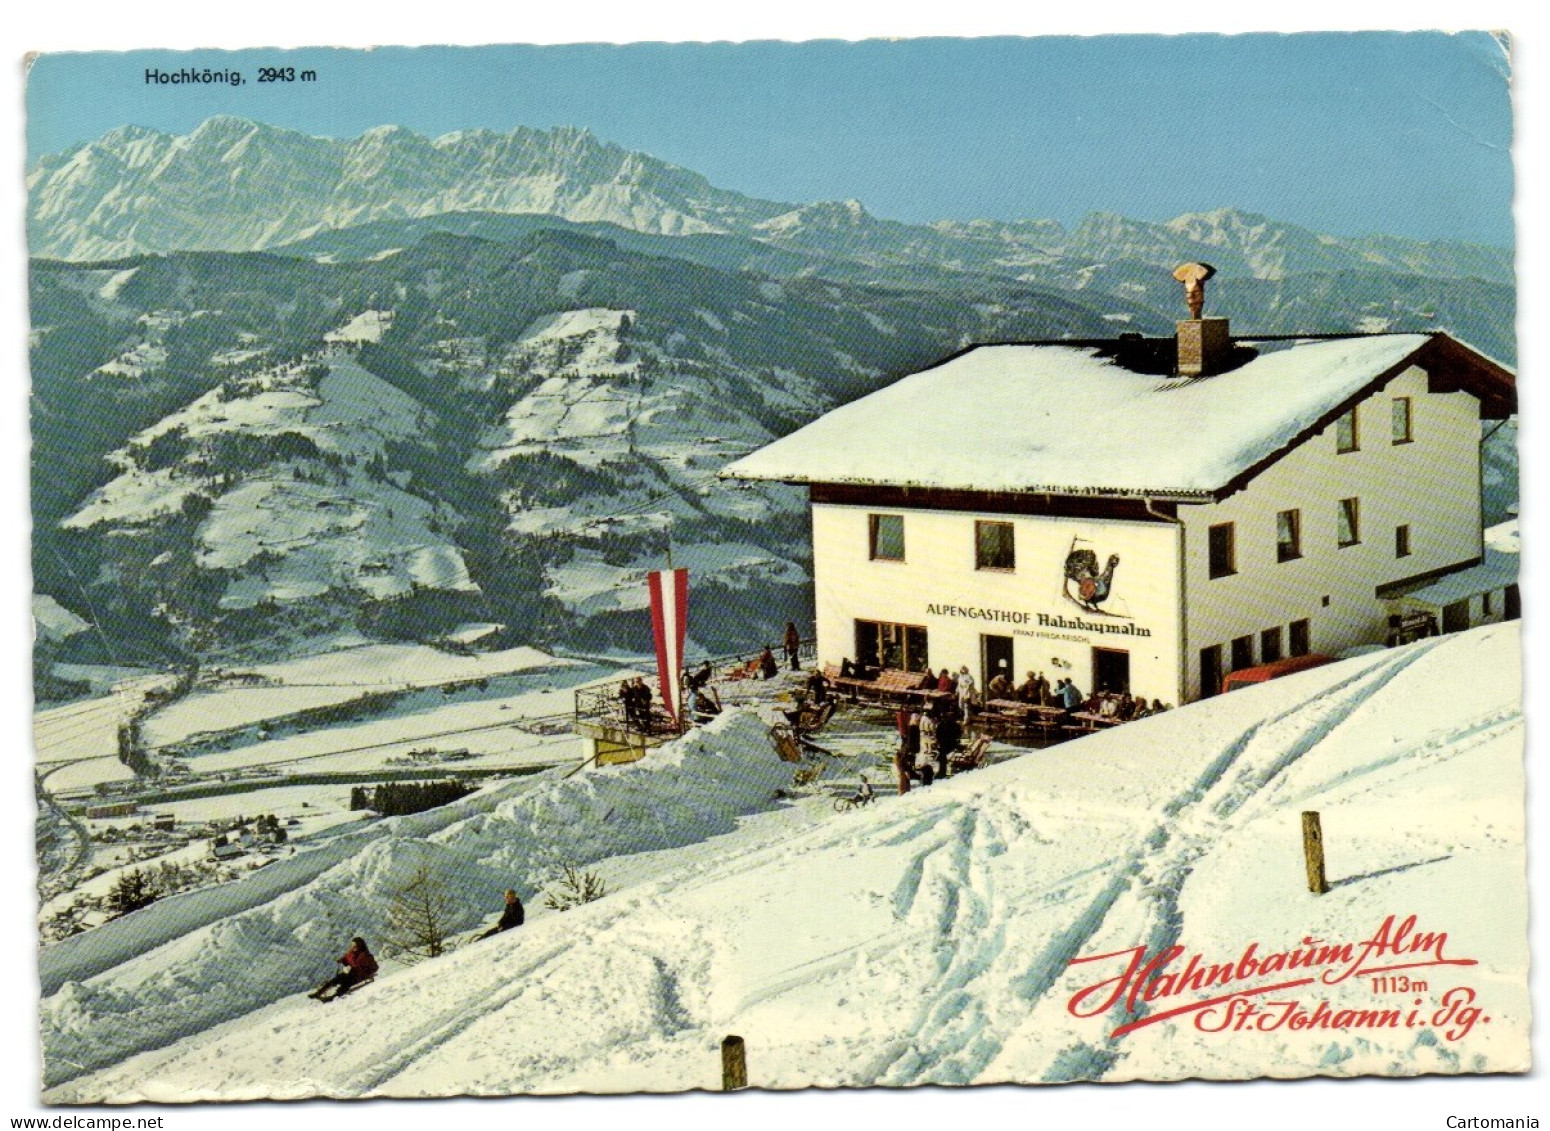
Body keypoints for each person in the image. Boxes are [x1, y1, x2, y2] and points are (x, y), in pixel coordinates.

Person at [309, 936, 379, 1001]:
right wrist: (342, 960)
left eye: (354, 945)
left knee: (346, 983)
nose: (353, 947)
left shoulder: (365, 955)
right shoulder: (352, 953)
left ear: (359, 945)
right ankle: (318, 993)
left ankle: (333, 997)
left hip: (360, 975)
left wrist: (365, 973)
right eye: (352, 945)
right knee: (336, 979)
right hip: (352, 972)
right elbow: (347, 959)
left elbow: (374, 967)